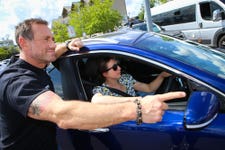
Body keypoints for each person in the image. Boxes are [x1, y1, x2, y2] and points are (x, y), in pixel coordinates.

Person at [0, 18, 186, 150]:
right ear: (23, 43)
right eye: (46, 39)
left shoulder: (37, 62)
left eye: (53, 39)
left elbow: (52, 53)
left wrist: (66, 44)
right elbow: (61, 114)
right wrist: (137, 109)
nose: (52, 44)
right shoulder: (15, 81)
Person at [92, 56, 171, 104]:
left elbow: (149, 88)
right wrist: (138, 100)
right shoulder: (101, 90)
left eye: (118, 65)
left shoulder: (125, 78)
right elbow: (96, 101)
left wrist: (162, 76)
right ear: (105, 74)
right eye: (114, 67)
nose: (119, 68)